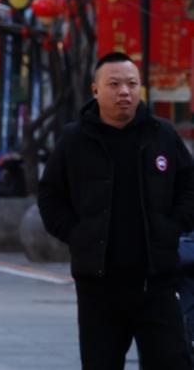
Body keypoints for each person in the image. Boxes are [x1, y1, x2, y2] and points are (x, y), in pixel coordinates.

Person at [37, 51, 194, 370]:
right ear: (95, 90)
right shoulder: (75, 139)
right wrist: (77, 235)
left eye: (132, 84)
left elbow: (189, 186)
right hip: (99, 284)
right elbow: (50, 195)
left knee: (173, 361)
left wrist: (172, 227)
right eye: (115, 84)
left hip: (158, 279)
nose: (125, 91)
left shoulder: (162, 134)